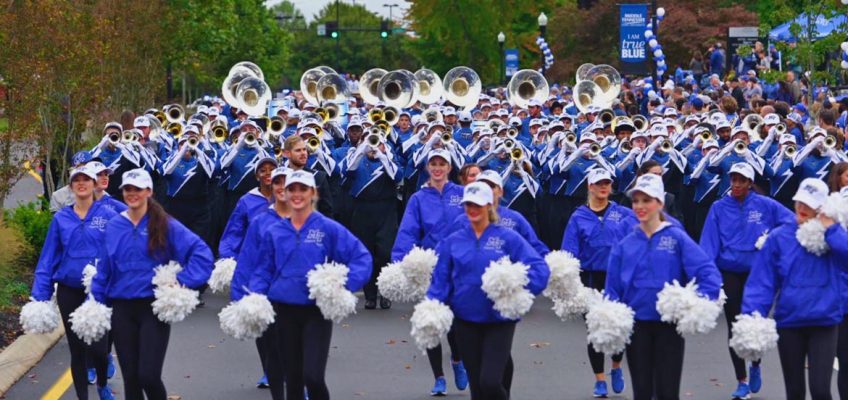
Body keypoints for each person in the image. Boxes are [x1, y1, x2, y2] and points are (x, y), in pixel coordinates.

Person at [248, 170, 372, 400]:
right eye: (292, 189)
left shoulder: (327, 228)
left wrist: (342, 285)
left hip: (316, 312)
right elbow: (263, 270)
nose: (297, 194)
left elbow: (361, 257)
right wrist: (254, 297)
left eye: (302, 189)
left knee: (313, 377)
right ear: (285, 194)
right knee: (293, 380)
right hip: (284, 311)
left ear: (313, 193)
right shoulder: (275, 231)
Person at [91, 168, 214, 400]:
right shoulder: (114, 225)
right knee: (131, 379)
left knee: (148, 375)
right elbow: (104, 268)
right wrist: (95, 303)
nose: (132, 193)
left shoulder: (165, 223)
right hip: (121, 309)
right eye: (128, 189)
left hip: (153, 309)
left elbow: (201, 253)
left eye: (137, 189)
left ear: (149, 191)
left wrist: (181, 282)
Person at [427, 182, 550, 400]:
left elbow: (540, 269)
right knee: (477, 389)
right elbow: (440, 280)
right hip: (465, 320)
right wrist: (431, 309)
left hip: (499, 320)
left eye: (478, 204)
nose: (472, 209)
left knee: (490, 382)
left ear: (489, 206)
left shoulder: (508, 237)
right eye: (468, 204)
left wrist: (516, 286)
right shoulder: (453, 241)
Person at [606, 174, 721, 400]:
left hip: (668, 326)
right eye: (636, 201)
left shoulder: (676, 237)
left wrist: (696, 304)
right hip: (637, 326)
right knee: (642, 392)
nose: (639, 206)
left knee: (668, 392)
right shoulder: (626, 244)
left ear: (659, 203)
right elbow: (613, 287)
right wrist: (611, 318)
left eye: (646, 200)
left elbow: (707, 272)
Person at [742, 178, 848, 400]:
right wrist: (753, 316)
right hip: (790, 322)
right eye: (800, 202)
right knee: (795, 391)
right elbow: (762, 282)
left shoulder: (833, 234)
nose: (802, 208)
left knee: (820, 390)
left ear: (821, 208)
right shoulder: (779, 237)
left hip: (824, 322)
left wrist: (831, 229)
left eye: (809, 204)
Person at [699, 162, 794, 399]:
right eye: (734, 179)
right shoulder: (718, 207)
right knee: (735, 326)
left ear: (750, 183)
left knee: (754, 321)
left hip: (758, 272)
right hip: (729, 271)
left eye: (742, 180)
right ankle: (741, 380)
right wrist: (708, 276)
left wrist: (770, 239)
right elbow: (709, 243)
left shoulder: (765, 204)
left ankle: (756, 363)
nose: (737, 184)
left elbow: (791, 222)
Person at [31, 164, 118, 400]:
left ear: (93, 184)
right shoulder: (61, 218)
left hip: (98, 292)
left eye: (86, 179)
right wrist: (40, 296)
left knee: (98, 350)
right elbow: (48, 259)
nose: (81, 183)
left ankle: (102, 384)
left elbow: (119, 251)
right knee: (77, 351)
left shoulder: (108, 215)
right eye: (76, 180)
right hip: (69, 291)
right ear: (70, 187)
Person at [391, 149, 468, 396]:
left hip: (457, 265)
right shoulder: (418, 198)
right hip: (430, 267)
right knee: (431, 322)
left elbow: (474, 223)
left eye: (441, 164)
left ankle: (457, 359)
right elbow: (408, 231)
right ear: (427, 167)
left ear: (449, 167)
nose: (437, 168)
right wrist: (399, 262)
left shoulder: (461, 194)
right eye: (433, 163)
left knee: (455, 322)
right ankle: (439, 378)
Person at [561, 169, 636, 397]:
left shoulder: (623, 213)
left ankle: (616, 366)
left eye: (607, 183)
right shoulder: (578, 217)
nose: (603, 187)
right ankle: (599, 379)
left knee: (618, 327)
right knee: (595, 330)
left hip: (617, 279)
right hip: (590, 279)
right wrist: (568, 282)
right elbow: (569, 251)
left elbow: (637, 239)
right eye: (598, 183)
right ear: (589, 186)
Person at [230, 166, 290, 397]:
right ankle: (270, 372)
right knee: (268, 338)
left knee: (293, 341)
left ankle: (299, 385)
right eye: (277, 182)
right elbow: (247, 257)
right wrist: (239, 295)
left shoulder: (310, 218)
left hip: (294, 292)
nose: (282, 187)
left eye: (286, 182)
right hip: (265, 289)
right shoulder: (259, 220)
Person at [340, 128, 402, 310]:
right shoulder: (356, 159)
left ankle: (386, 292)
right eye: (369, 142)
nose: (373, 146)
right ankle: (370, 295)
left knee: (385, 253)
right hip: (362, 210)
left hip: (386, 211)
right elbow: (347, 171)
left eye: (377, 142)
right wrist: (361, 148)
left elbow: (397, 176)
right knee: (367, 254)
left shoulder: (389, 160)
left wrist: (382, 155)